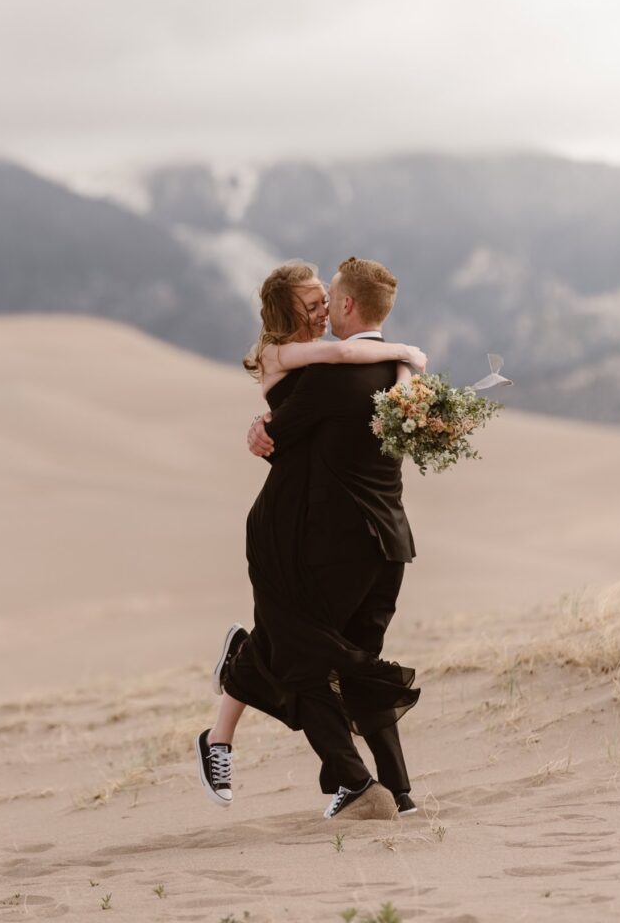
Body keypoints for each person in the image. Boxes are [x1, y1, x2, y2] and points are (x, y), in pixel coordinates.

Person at [195, 259, 423, 818]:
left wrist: (406, 365)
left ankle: (235, 700)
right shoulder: (305, 356)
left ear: (345, 304)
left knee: (301, 652)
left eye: (327, 299)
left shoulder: (352, 365)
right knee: (322, 656)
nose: (322, 309)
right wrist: (410, 358)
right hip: (308, 530)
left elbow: (294, 416)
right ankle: (380, 788)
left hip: (311, 531)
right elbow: (344, 359)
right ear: (286, 308)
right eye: (312, 301)